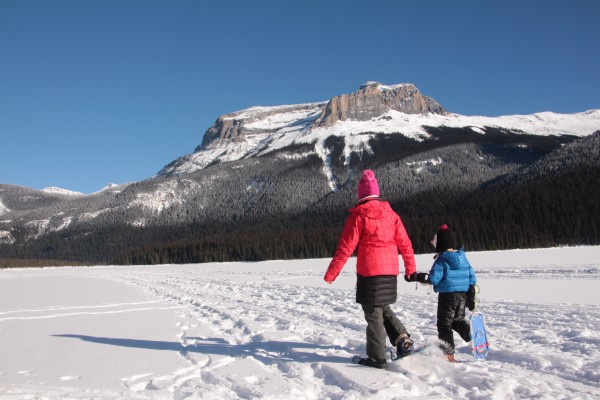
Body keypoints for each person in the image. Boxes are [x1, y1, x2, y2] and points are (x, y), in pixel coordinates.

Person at [324, 169, 418, 369]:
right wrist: (410, 269)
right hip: (390, 271)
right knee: (383, 307)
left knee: (373, 315)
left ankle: (377, 359)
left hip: (370, 272)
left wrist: (332, 272)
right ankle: (402, 339)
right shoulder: (391, 214)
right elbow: (406, 244)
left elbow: (346, 247)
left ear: (360, 194)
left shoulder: (359, 215)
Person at [420, 224, 477, 362]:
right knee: (457, 320)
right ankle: (471, 333)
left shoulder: (442, 259)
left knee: (444, 324)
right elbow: (472, 276)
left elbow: (434, 278)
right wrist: (471, 292)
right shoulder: (462, 257)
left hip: (447, 297)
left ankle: (448, 354)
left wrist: (422, 277)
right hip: (462, 295)